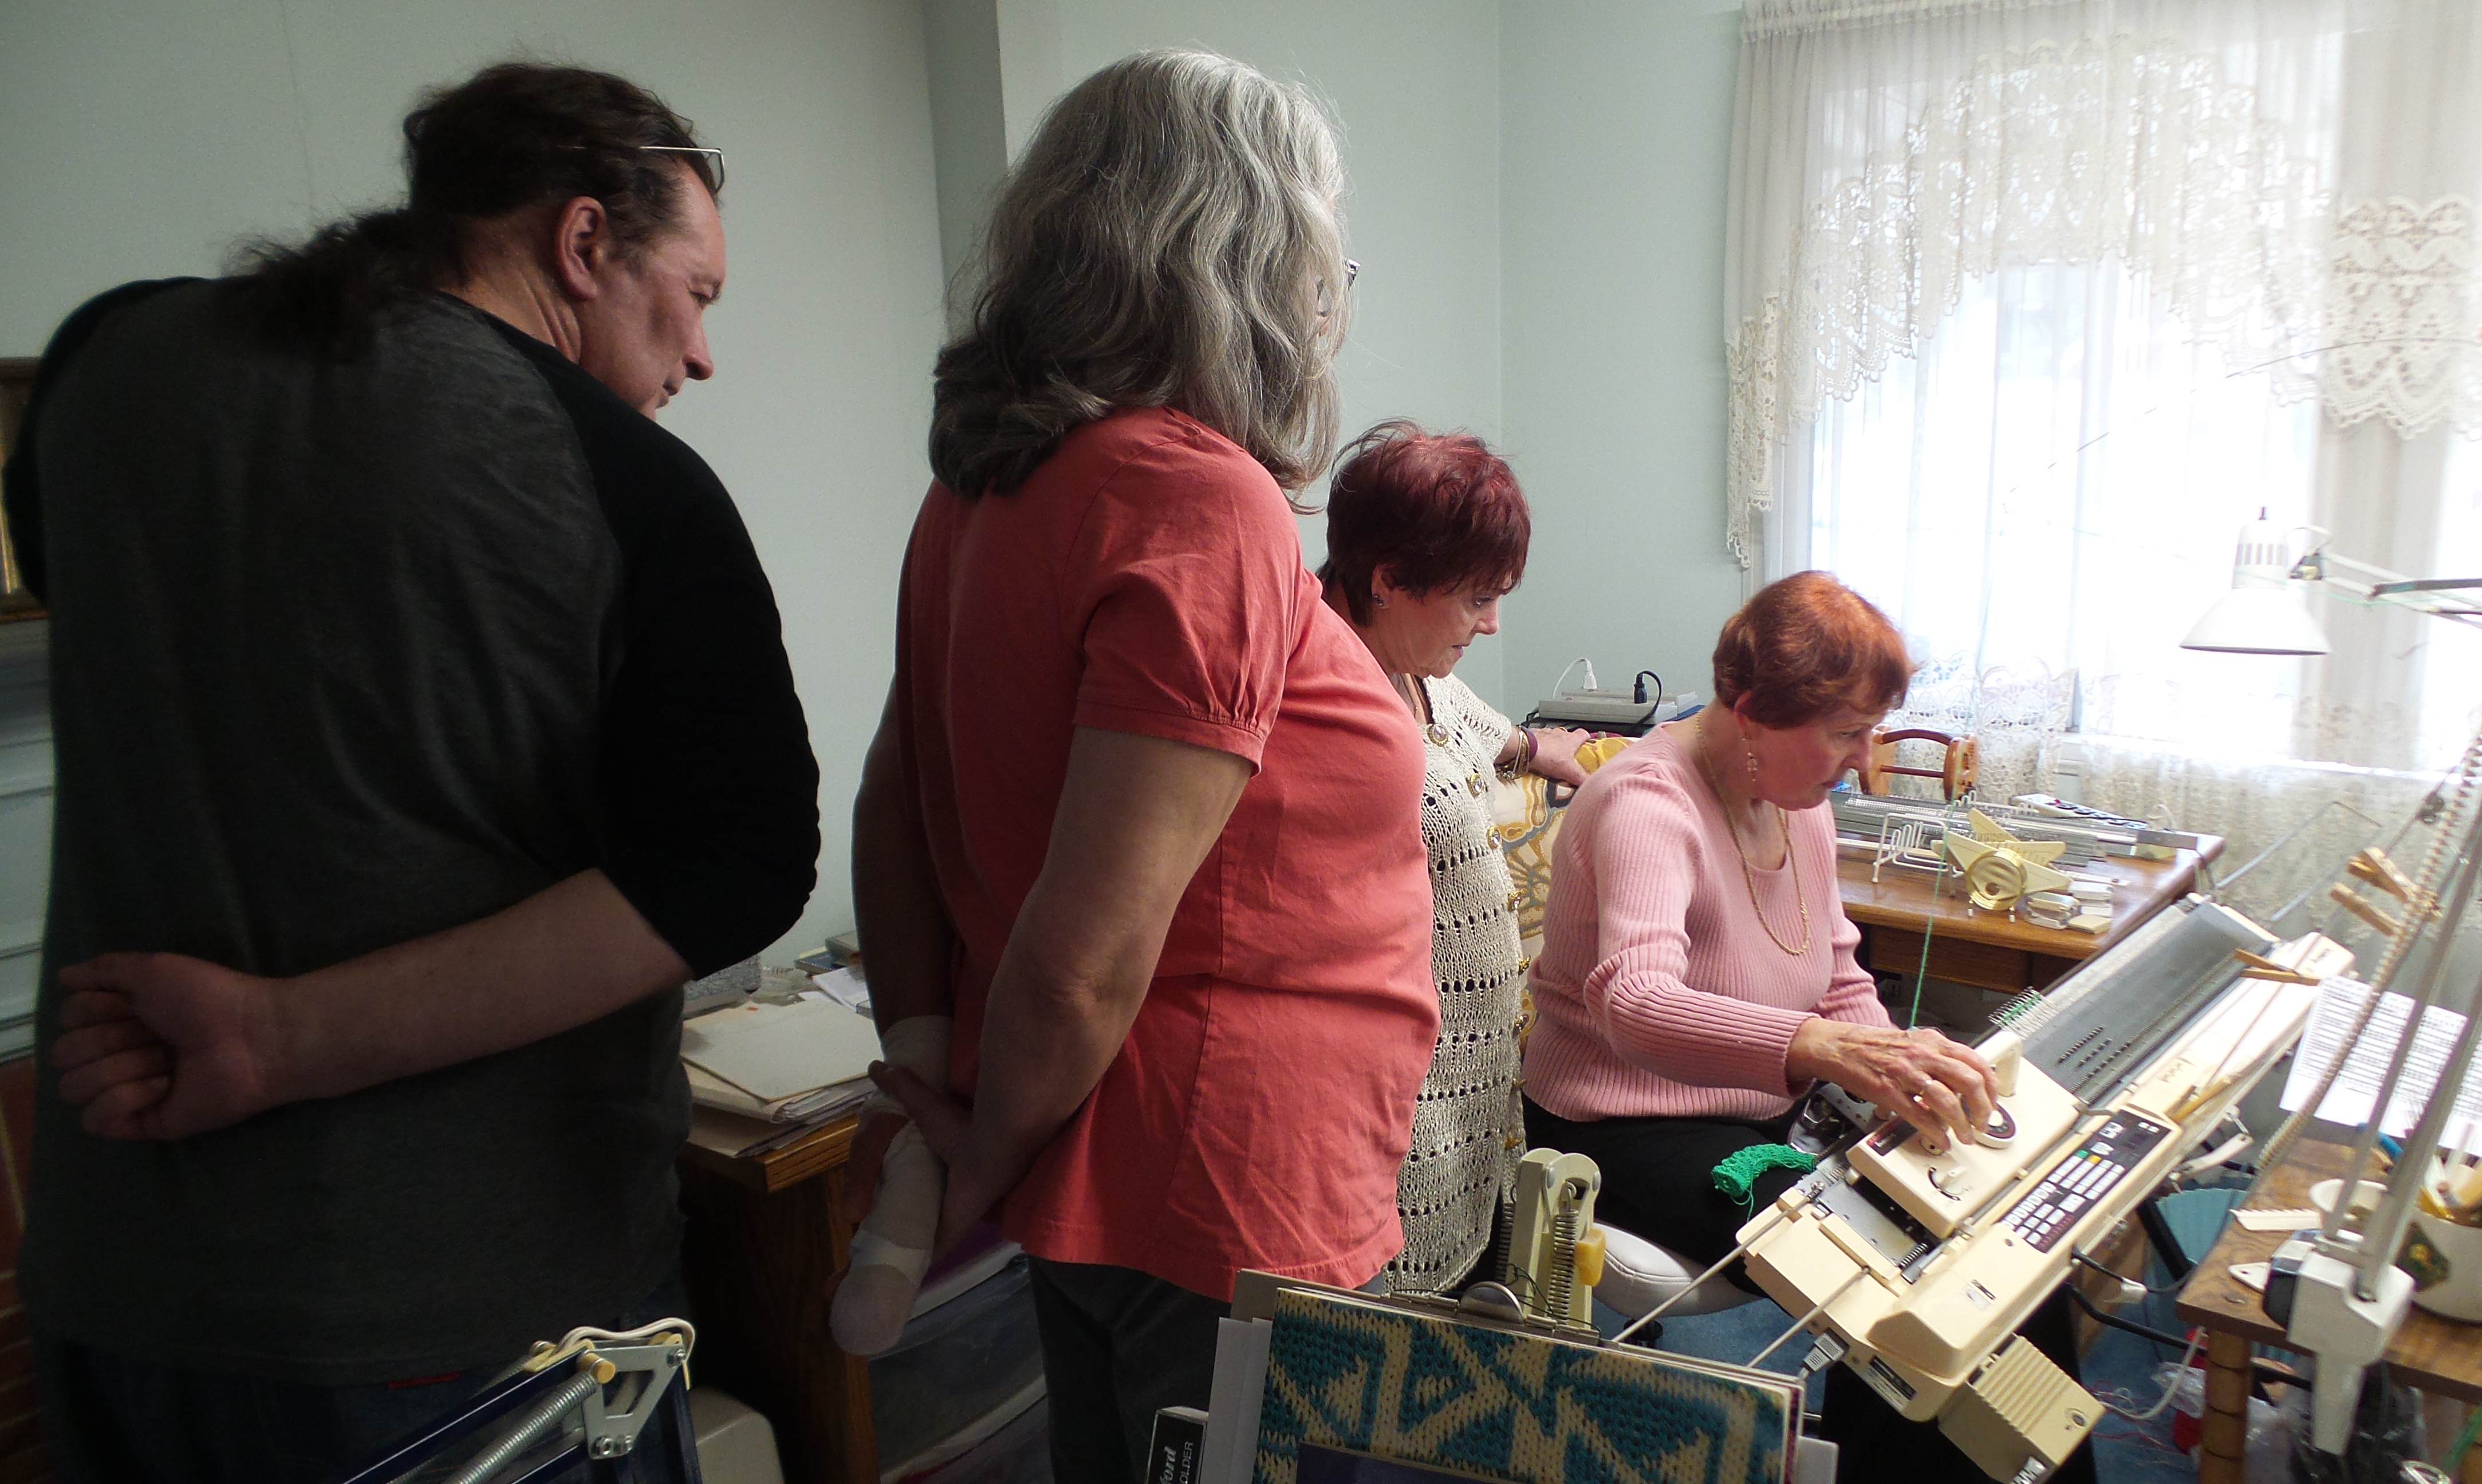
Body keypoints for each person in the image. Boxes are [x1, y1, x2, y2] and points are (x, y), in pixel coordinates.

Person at [2, 63, 818, 1483]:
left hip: (114, 1291)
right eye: (694, 296)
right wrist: (280, 1038)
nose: (700, 357)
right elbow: (738, 865)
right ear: (581, 242)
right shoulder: (620, 478)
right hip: (458, 1329)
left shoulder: (102, 364)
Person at [850, 51, 1436, 1484]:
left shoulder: (981, 488)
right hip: (1225, 1189)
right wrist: (982, 1153)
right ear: (1252, 258)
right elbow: (1082, 962)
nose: (1330, 295)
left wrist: (934, 1069)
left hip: (1115, 1162)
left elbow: (894, 803)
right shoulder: (1196, 497)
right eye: (1326, 255)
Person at [1520, 570, 2090, 1484]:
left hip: (1755, 1108)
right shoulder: (1646, 805)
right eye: (1846, 733)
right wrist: (1821, 1049)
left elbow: (1837, 977)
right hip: (1623, 1126)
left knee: (1995, 1236)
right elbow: (1633, 1003)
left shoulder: (1800, 809)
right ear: (1753, 715)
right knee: (1894, 1273)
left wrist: (1893, 1067)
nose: (1864, 761)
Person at [1314, 420, 1591, 1294]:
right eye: (1476, 599)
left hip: (1477, 1093)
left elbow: (1481, 730)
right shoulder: (1324, 693)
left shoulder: (1418, 672)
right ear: (1389, 578)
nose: (1494, 623)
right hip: (1400, 1108)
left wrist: (1543, 749)